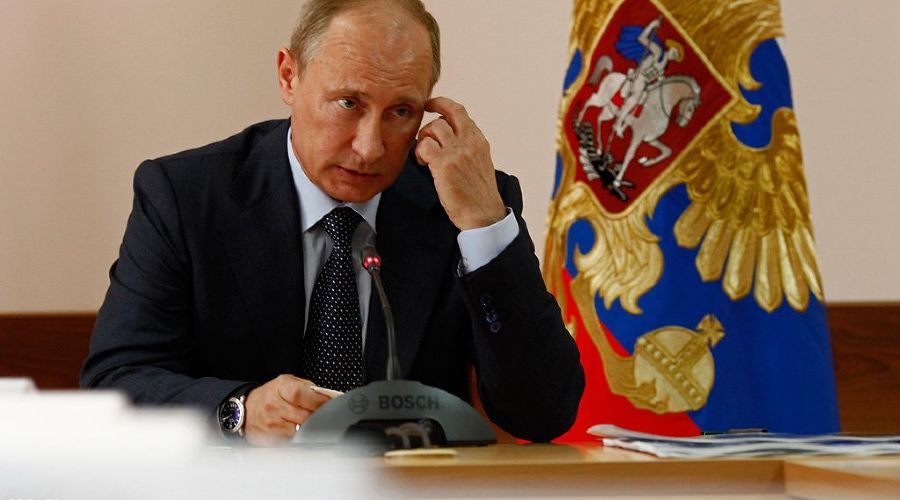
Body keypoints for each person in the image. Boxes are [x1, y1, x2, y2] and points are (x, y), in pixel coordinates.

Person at [81, 0, 584, 445]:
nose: (370, 147)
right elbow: (116, 383)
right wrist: (241, 410)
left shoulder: (458, 205)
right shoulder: (187, 196)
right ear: (289, 77)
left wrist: (484, 226)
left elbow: (543, 414)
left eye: (401, 112)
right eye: (349, 103)